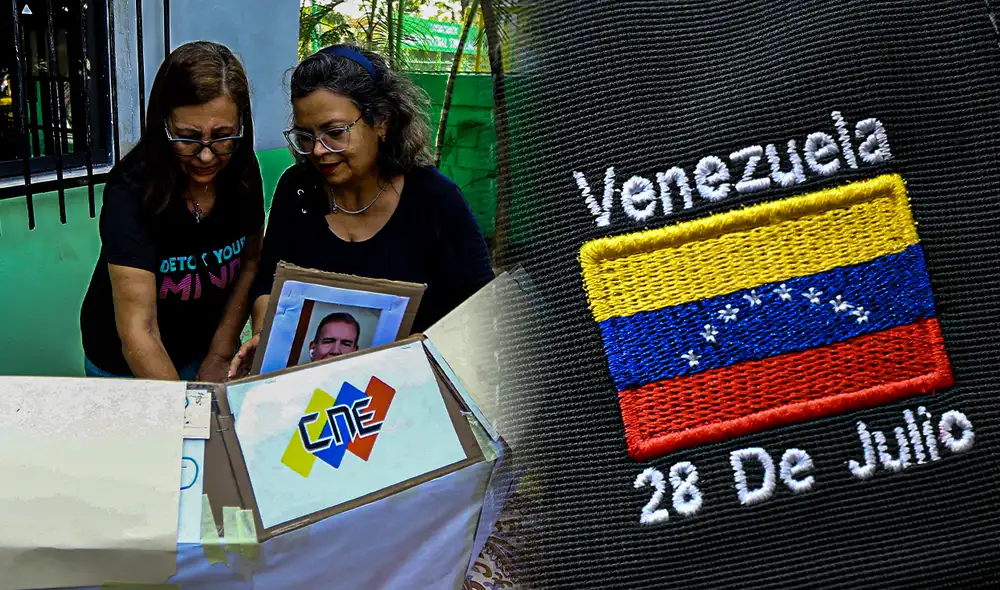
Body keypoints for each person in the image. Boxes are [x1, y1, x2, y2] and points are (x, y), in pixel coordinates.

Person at [230, 45, 493, 378]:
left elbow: (482, 312)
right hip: (310, 383)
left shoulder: (435, 200)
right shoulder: (297, 190)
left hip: (413, 387)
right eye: (305, 136)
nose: (318, 150)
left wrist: (413, 352)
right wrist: (266, 340)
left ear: (381, 121)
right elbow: (269, 283)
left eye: (335, 133)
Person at [80, 41, 264, 381]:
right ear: (162, 125)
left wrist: (221, 353)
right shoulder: (131, 190)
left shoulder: (241, 171)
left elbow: (251, 262)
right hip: (127, 366)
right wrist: (183, 414)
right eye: (187, 137)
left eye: (222, 136)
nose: (206, 156)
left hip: (203, 350)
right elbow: (140, 330)